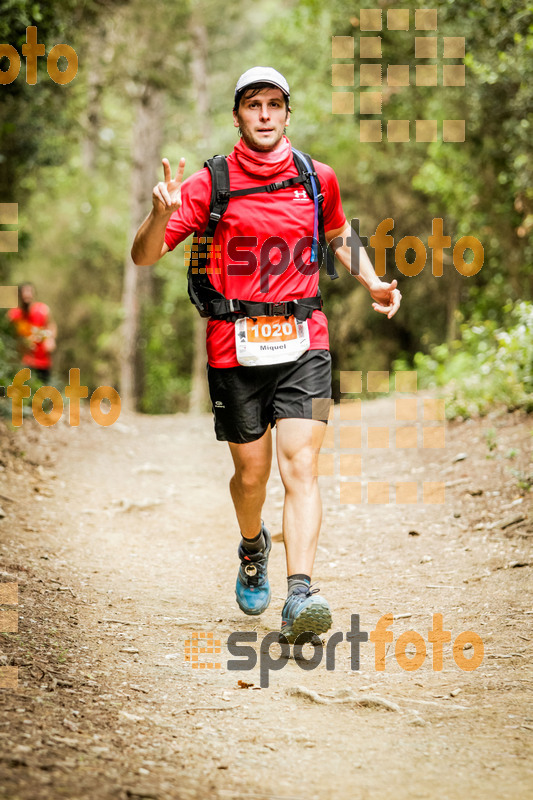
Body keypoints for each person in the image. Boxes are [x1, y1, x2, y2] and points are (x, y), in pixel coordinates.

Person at [131, 66, 401, 642]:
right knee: (250, 476)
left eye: (274, 104)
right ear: (237, 115)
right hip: (234, 345)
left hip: (305, 338)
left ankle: (301, 593)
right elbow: (144, 257)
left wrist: (373, 281)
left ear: (286, 112)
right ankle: (253, 546)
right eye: (252, 105)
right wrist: (159, 214)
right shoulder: (210, 183)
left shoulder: (315, 175)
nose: (264, 114)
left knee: (301, 466)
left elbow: (337, 236)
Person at [7, 283, 57, 383]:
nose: (27, 295)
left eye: (29, 292)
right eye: (24, 292)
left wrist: (51, 339)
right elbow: (8, 335)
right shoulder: (14, 315)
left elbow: (52, 326)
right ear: (19, 295)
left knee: (43, 391)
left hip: (43, 361)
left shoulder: (43, 310)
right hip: (24, 361)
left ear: (34, 294)